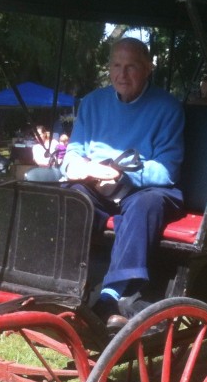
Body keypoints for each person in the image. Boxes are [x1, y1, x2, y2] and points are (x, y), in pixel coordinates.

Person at [62, 37, 185, 331]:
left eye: (131, 67)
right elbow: (72, 154)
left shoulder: (168, 108)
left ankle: (113, 295)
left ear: (148, 69)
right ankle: (65, 283)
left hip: (142, 188)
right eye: (116, 65)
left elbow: (167, 169)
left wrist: (122, 174)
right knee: (70, 197)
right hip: (96, 186)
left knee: (145, 204)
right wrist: (80, 168)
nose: (122, 74)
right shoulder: (91, 103)